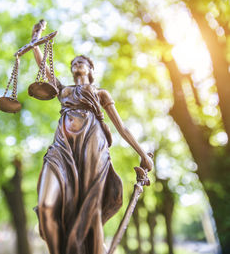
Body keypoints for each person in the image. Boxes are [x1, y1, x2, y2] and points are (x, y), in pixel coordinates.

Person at [31, 21, 153, 254]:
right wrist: (36, 40)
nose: (77, 63)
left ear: (90, 69)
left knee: (90, 209)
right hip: (62, 148)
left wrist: (142, 154)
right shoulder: (63, 90)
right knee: (47, 207)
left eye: (82, 62)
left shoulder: (99, 94)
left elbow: (122, 127)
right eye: (74, 62)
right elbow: (43, 67)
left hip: (91, 147)